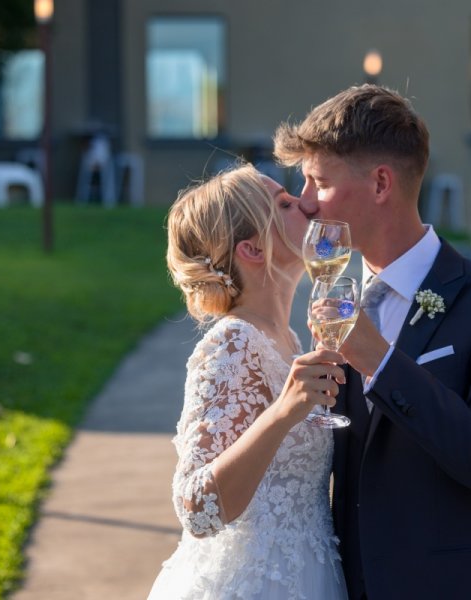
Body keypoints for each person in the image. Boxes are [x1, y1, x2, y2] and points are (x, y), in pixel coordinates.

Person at [274, 85, 471, 599]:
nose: (307, 203)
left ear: (381, 183)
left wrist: (378, 360)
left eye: (319, 182)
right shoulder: (332, 299)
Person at [147, 164, 348, 599]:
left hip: (310, 574)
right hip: (251, 583)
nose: (306, 202)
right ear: (253, 249)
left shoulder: (289, 338)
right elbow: (196, 510)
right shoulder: (232, 345)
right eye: (285, 203)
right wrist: (282, 412)